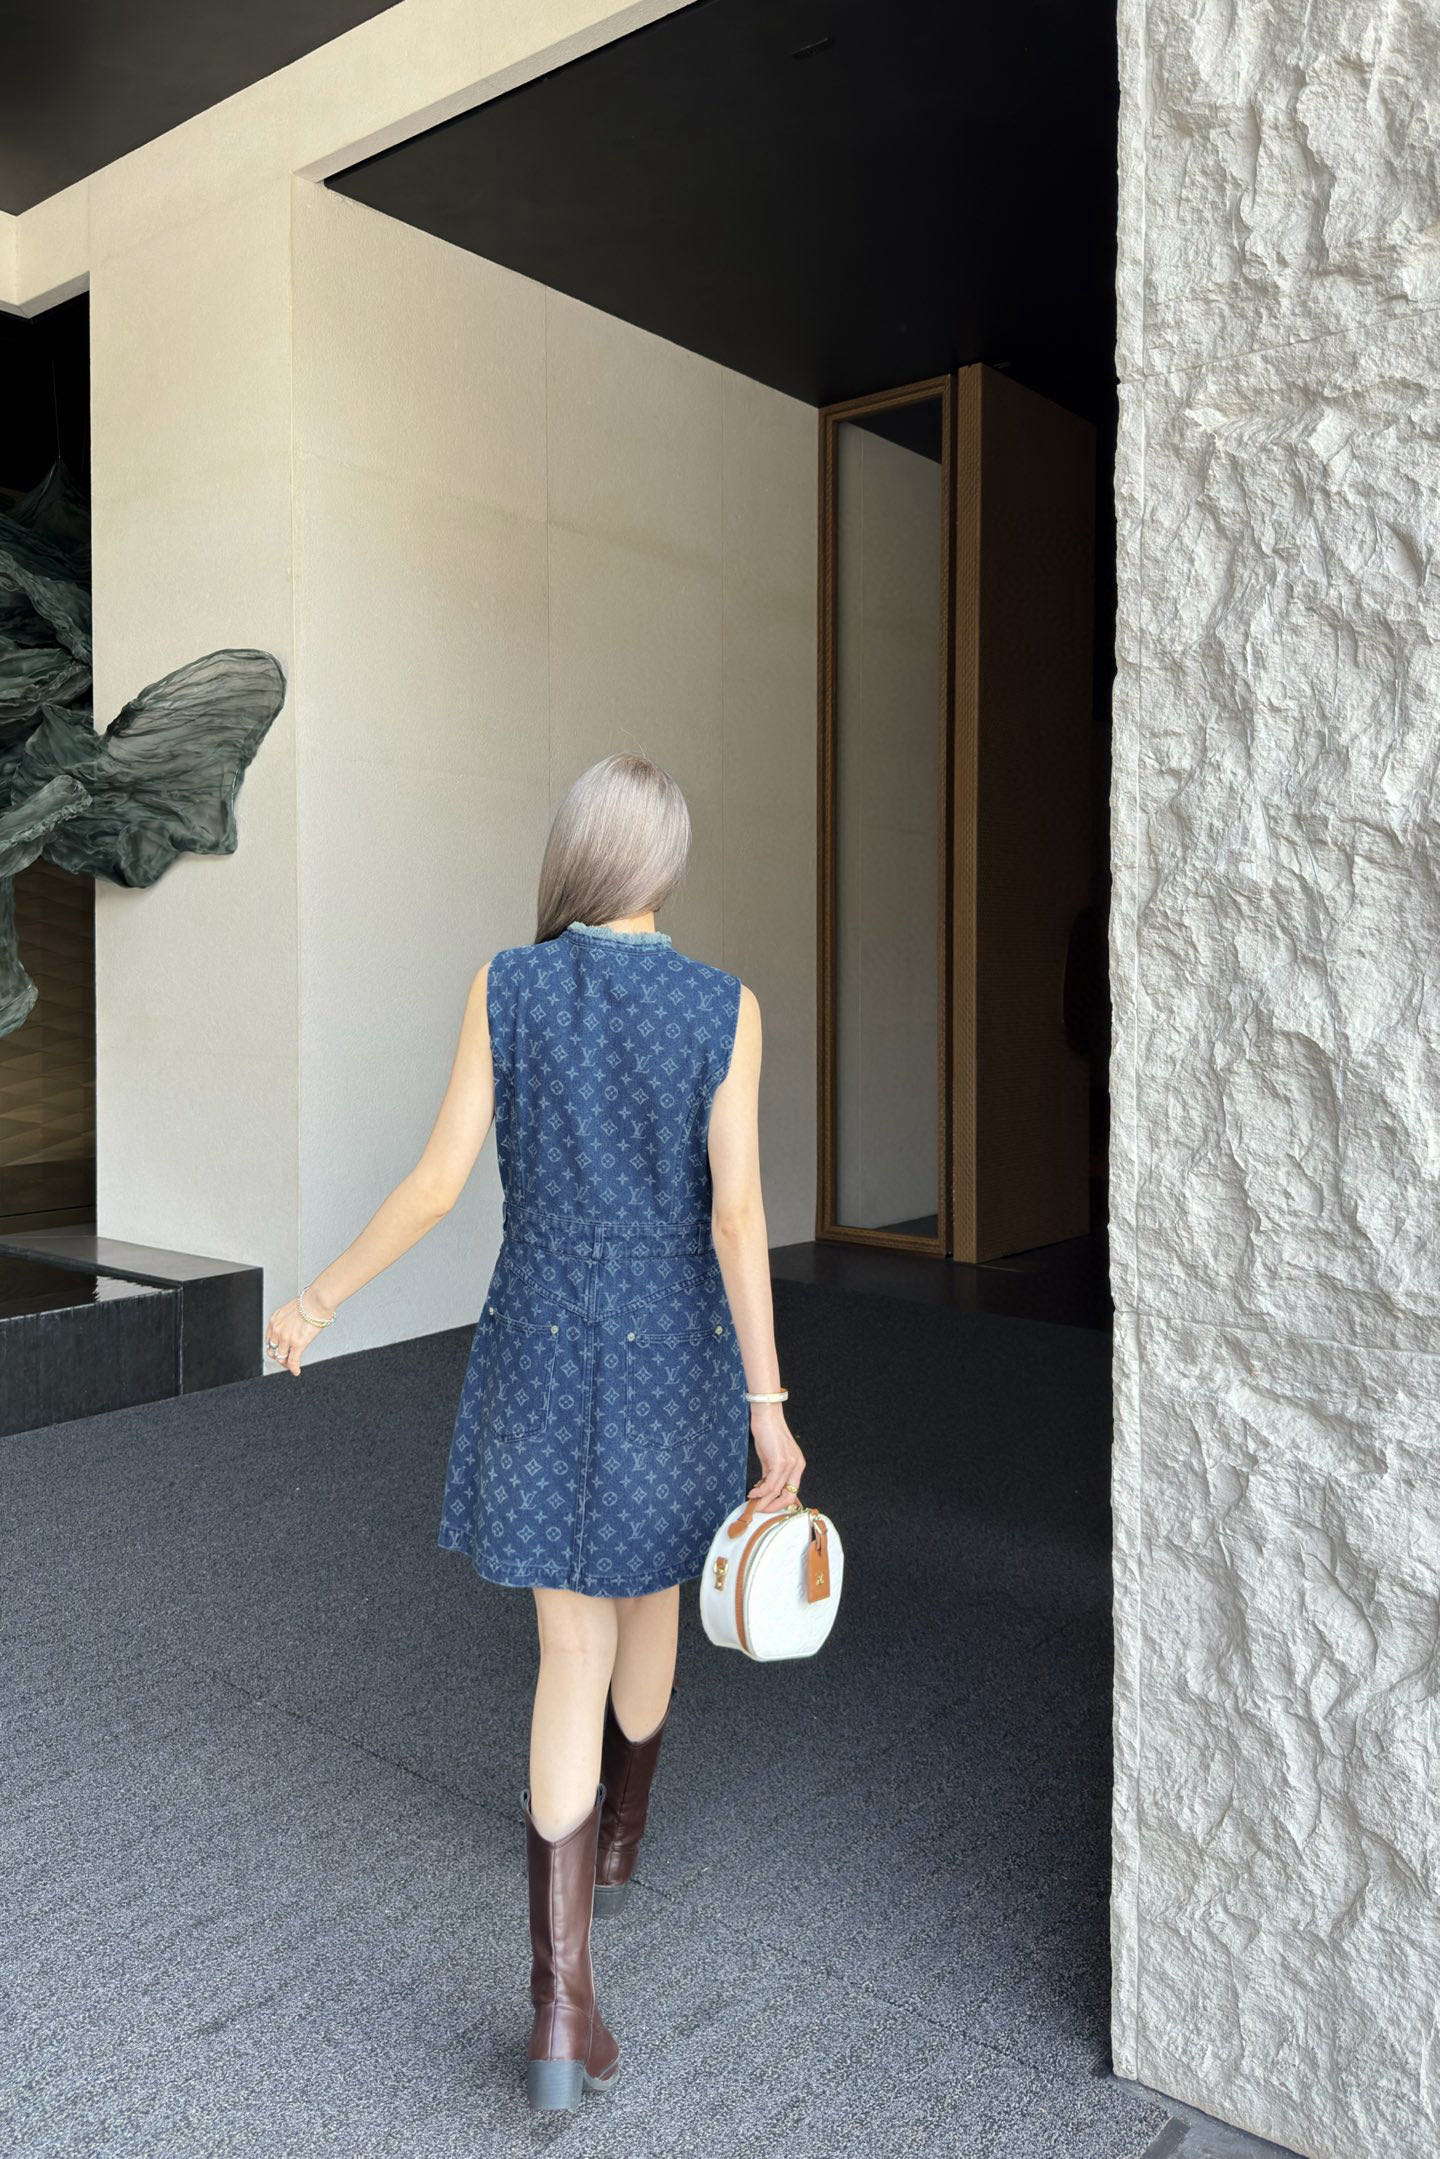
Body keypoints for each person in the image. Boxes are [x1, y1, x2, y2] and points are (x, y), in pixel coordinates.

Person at [263, 751, 805, 2114]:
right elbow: (738, 1215)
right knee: (654, 1600)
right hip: (675, 1352)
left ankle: (561, 2008)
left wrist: (319, 1297)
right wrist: (769, 1406)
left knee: (568, 1650)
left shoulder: (506, 985)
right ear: (665, 866)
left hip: (541, 1345)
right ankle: (621, 1841)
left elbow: (437, 1184)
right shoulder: (725, 1008)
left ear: (575, 854)